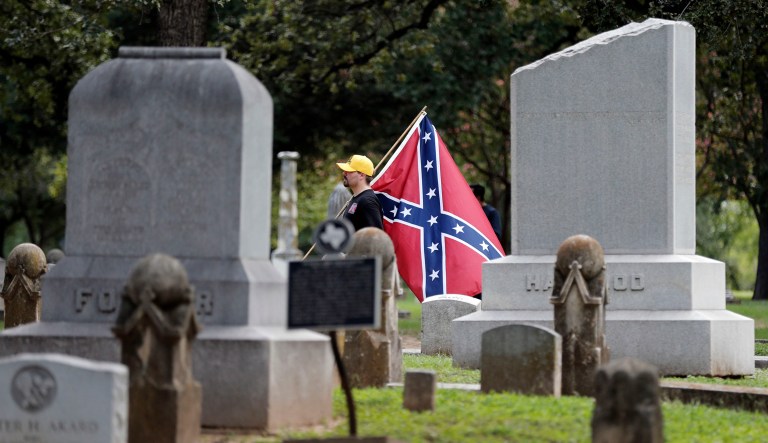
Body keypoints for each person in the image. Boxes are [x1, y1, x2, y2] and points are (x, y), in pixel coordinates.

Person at [336, 154, 384, 230]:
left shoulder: (367, 201)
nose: (344, 173)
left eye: (349, 171)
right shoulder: (358, 198)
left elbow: (376, 238)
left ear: (361, 175)